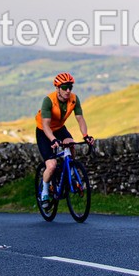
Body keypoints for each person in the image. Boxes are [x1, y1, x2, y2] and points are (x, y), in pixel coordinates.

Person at [36, 72, 94, 202]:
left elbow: (80, 119)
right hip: (44, 131)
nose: (68, 90)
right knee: (51, 165)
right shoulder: (48, 101)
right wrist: (53, 139)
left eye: (70, 87)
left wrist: (86, 136)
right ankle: (45, 191)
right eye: (64, 87)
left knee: (71, 143)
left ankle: (71, 172)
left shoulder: (74, 99)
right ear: (57, 88)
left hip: (59, 128)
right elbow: (45, 125)